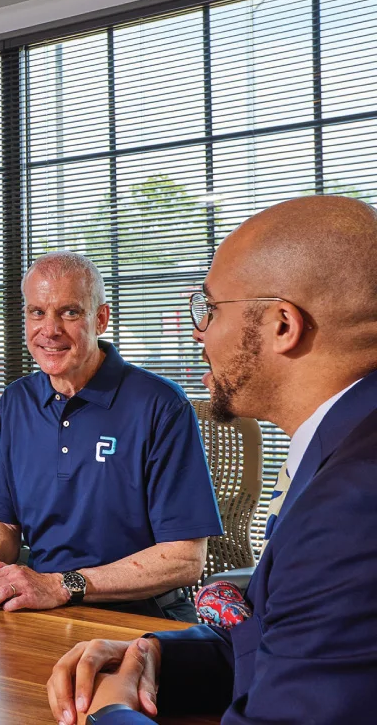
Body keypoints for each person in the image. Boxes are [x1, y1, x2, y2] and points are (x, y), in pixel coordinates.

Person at [46, 196, 377, 724]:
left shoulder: (350, 508)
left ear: (282, 326)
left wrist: (109, 713)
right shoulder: (344, 445)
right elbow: (280, 643)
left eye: (210, 309)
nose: (197, 332)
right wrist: (153, 655)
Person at [0, 252, 222, 621]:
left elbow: (184, 559)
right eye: (37, 312)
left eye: (69, 312)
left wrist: (60, 585)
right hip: (43, 609)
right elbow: (1, 520)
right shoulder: (17, 401)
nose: (49, 330)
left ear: (101, 319)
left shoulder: (160, 404)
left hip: (140, 616)